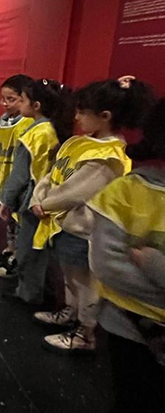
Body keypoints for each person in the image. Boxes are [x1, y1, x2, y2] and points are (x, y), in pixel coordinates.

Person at [30, 77, 154, 354]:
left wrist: (45, 204)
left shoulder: (109, 154)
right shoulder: (81, 143)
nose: (77, 118)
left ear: (105, 116)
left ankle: (85, 332)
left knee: (85, 282)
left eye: (83, 112)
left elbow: (77, 191)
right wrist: (39, 197)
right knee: (70, 276)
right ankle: (70, 312)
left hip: (83, 228)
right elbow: (53, 173)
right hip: (64, 222)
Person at [89, 98, 165, 412]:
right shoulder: (127, 191)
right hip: (129, 325)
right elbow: (108, 263)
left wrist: (154, 265)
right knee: (134, 395)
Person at [0, 79, 72, 304]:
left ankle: (29, 294)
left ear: (36, 105)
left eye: (22, 100)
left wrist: (6, 199)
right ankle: (42, 290)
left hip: (33, 199)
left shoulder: (34, 133)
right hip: (50, 197)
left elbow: (21, 174)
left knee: (28, 250)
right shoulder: (54, 129)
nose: (19, 104)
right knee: (41, 249)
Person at [0, 75, 34, 278]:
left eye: (11, 99)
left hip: (20, 180)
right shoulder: (5, 120)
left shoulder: (29, 124)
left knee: (19, 218)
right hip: (4, 175)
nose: (5, 104)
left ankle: (19, 258)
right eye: (3, 99)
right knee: (9, 217)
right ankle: (10, 248)